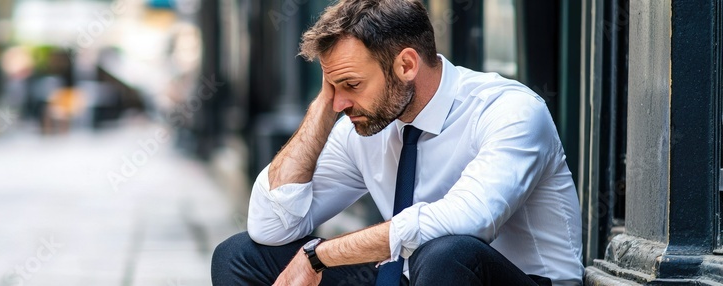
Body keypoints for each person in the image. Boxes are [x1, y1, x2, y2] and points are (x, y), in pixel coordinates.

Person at [210, 0, 583, 285]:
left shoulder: (510, 110)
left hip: (514, 278)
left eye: (352, 84)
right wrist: (322, 105)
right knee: (238, 255)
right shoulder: (364, 124)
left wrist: (320, 255)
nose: (341, 103)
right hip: (407, 277)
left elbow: (468, 220)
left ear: (406, 65)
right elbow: (269, 226)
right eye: (332, 86)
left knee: (446, 253)